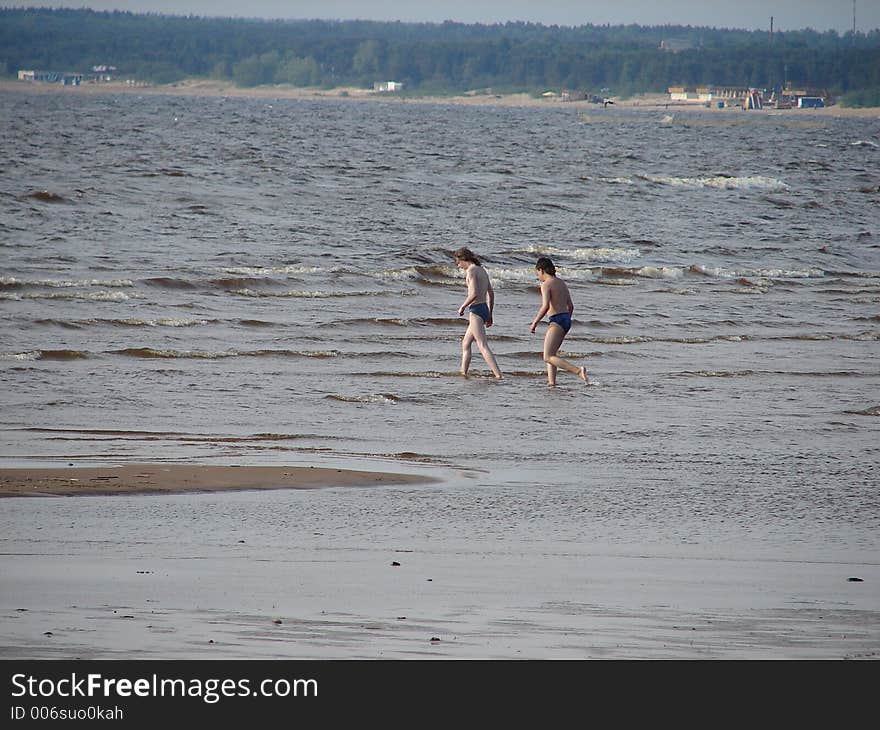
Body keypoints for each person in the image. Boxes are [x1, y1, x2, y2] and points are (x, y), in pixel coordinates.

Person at [529, 256, 588, 386]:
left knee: (547, 356)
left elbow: (545, 306)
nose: (538, 276)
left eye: (537, 273)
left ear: (542, 270)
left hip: (557, 320)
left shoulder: (546, 285)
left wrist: (535, 322)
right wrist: (566, 320)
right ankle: (552, 383)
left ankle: (578, 371)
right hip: (566, 319)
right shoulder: (561, 282)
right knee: (552, 354)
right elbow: (571, 306)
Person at [453, 247, 503, 380]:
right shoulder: (482, 270)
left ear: (463, 259)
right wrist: (490, 313)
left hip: (475, 310)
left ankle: (498, 374)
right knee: (466, 343)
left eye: (458, 263)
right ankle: (463, 372)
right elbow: (491, 294)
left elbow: (473, 294)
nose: (458, 266)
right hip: (484, 308)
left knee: (482, 345)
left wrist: (462, 307)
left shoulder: (471, 271)